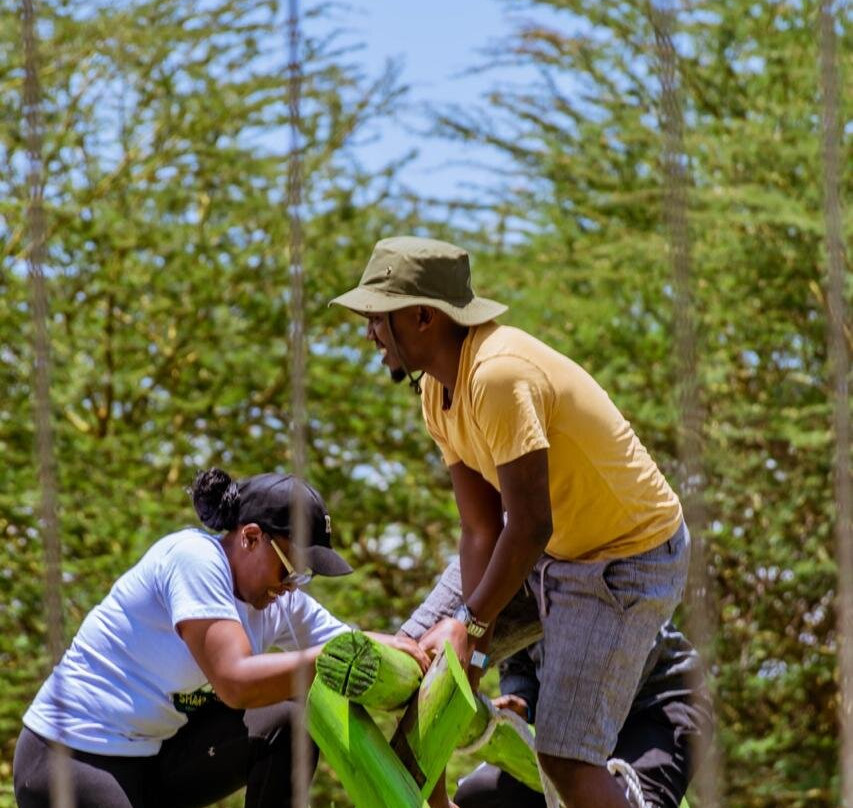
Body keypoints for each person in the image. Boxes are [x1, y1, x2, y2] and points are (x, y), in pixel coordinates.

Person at [332, 235, 692, 807]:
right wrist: (466, 653)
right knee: (411, 661)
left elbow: (529, 525)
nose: (369, 333)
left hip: (622, 557)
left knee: (566, 759)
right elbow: (481, 527)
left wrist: (472, 629)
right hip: (544, 544)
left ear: (422, 317)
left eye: (377, 318)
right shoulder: (436, 389)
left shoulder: (500, 375)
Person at [13, 468, 428, 808]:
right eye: (290, 568)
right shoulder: (193, 559)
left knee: (289, 719)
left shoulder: (277, 599)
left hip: (152, 759)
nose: (292, 586)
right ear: (249, 537)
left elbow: (346, 644)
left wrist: (386, 647)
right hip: (70, 756)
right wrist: (329, 658)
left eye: (304, 576)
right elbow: (236, 681)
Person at [403, 560, 713, 808]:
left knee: (605, 794)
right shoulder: (503, 575)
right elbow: (516, 657)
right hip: (572, 723)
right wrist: (521, 699)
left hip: (656, 706)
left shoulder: (607, 564)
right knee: (480, 796)